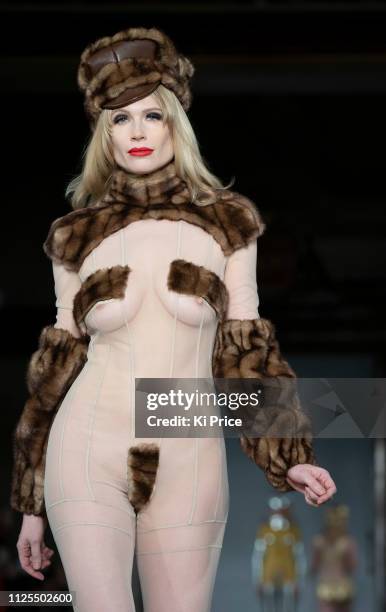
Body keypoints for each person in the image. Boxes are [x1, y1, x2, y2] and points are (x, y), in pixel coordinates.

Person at [10, 26, 337, 612]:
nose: (137, 132)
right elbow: (57, 368)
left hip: (188, 449)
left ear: (175, 125)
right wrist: (31, 502)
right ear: (102, 134)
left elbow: (247, 353)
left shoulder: (229, 224)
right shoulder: (73, 237)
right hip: (86, 445)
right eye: (120, 118)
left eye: (152, 116)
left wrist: (289, 457)